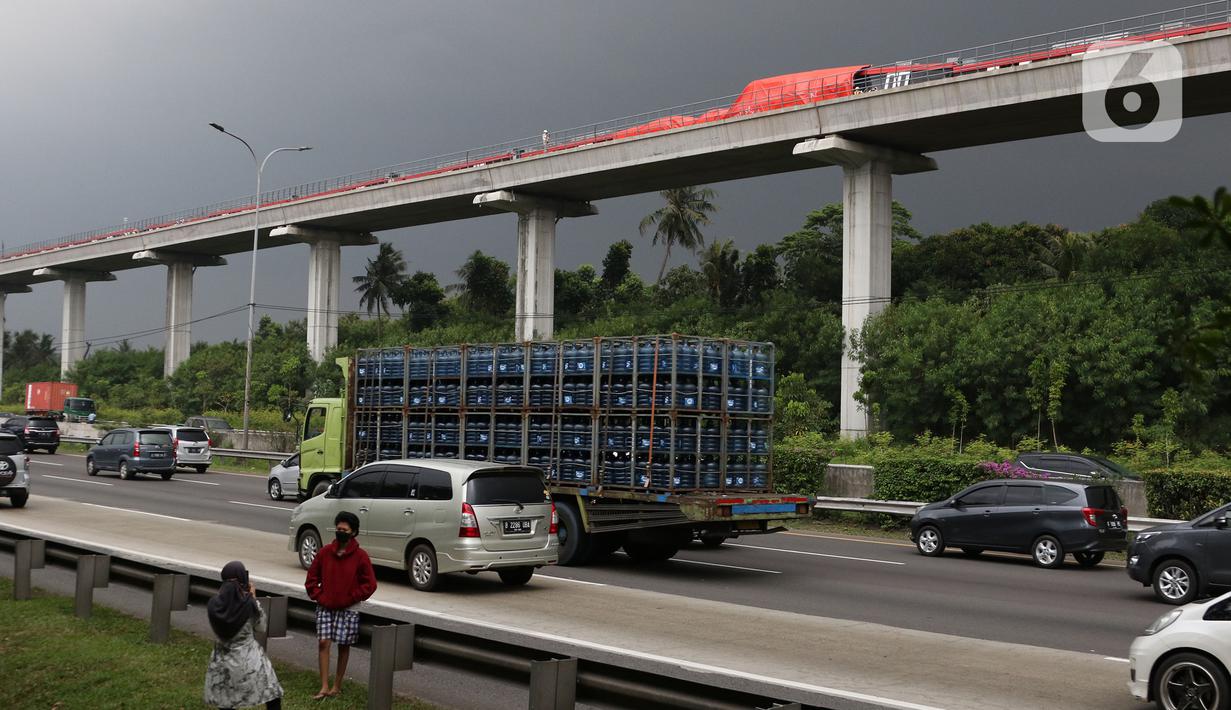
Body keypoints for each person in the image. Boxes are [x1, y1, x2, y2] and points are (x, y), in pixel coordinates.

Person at [305, 511, 377, 699]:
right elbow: (311, 579)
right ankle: (324, 686)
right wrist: (320, 596)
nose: (340, 532)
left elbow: (370, 584)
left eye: (344, 530)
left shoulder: (361, 556)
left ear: (353, 532)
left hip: (348, 608)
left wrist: (350, 598)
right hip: (326, 606)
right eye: (338, 529)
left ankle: (336, 685)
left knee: (344, 646)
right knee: (323, 643)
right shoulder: (324, 553)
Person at [204, 561, 284, 710]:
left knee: (226, 699)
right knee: (273, 694)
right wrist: (253, 598)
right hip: (249, 659)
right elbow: (261, 626)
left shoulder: (214, 604)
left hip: (222, 659)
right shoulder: (248, 604)